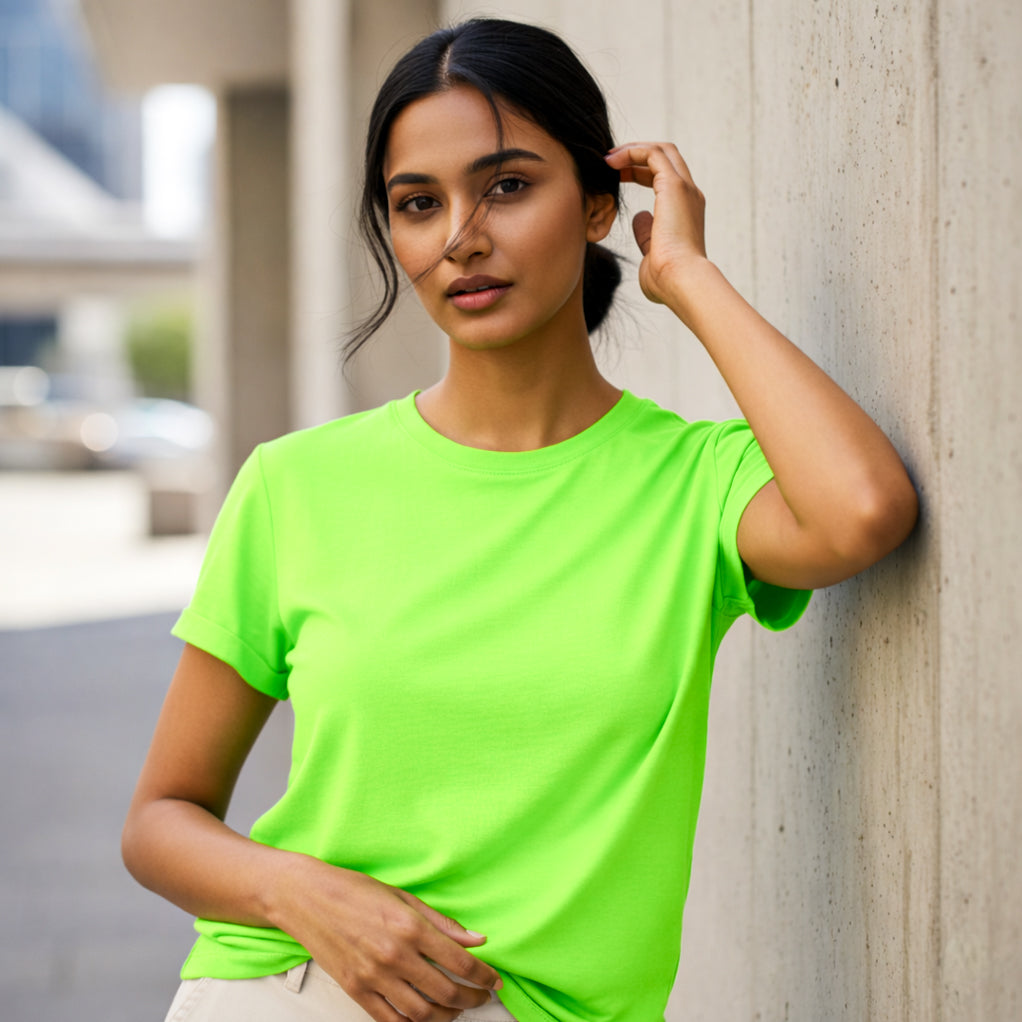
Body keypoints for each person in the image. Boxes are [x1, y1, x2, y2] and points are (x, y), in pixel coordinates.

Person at [122, 17, 918, 1022]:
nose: (461, 235)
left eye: (505, 185)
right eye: (418, 204)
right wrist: (303, 890)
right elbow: (160, 818)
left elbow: (861, 509)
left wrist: (686, 276)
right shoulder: (296, 484)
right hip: (296, 986)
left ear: (595, 204)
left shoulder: (690, 482)